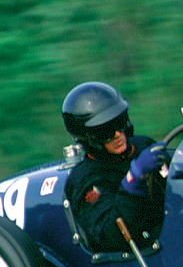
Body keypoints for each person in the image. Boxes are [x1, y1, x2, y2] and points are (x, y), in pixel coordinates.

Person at [62, 81, 171, 253]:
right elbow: (111, 235)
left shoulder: (143, 145)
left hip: (172, 228)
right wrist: (133, 182)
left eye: (119, 122)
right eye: (106, 131)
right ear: (89, 138)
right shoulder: (85, 180)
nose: (118, 135)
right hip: (142, 253)